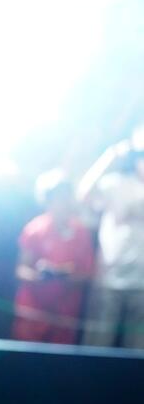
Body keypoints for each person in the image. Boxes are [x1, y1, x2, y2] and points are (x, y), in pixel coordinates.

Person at [11, 171, 94, 344]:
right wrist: (40, 276)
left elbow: (88, 273)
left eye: (66, 197)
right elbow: (21, 269)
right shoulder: (34, 230)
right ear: (47, 200)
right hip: (33, 313)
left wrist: (65, 274)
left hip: (65, 315)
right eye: (58, 197)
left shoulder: (81, 233)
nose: (63, 203)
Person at [78, 133, 144, 348]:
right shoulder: (115, 184)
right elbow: (84, 193)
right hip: (110, 278)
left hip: (142, 284)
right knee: (98, 345)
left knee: (137, 351)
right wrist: (111, 156)